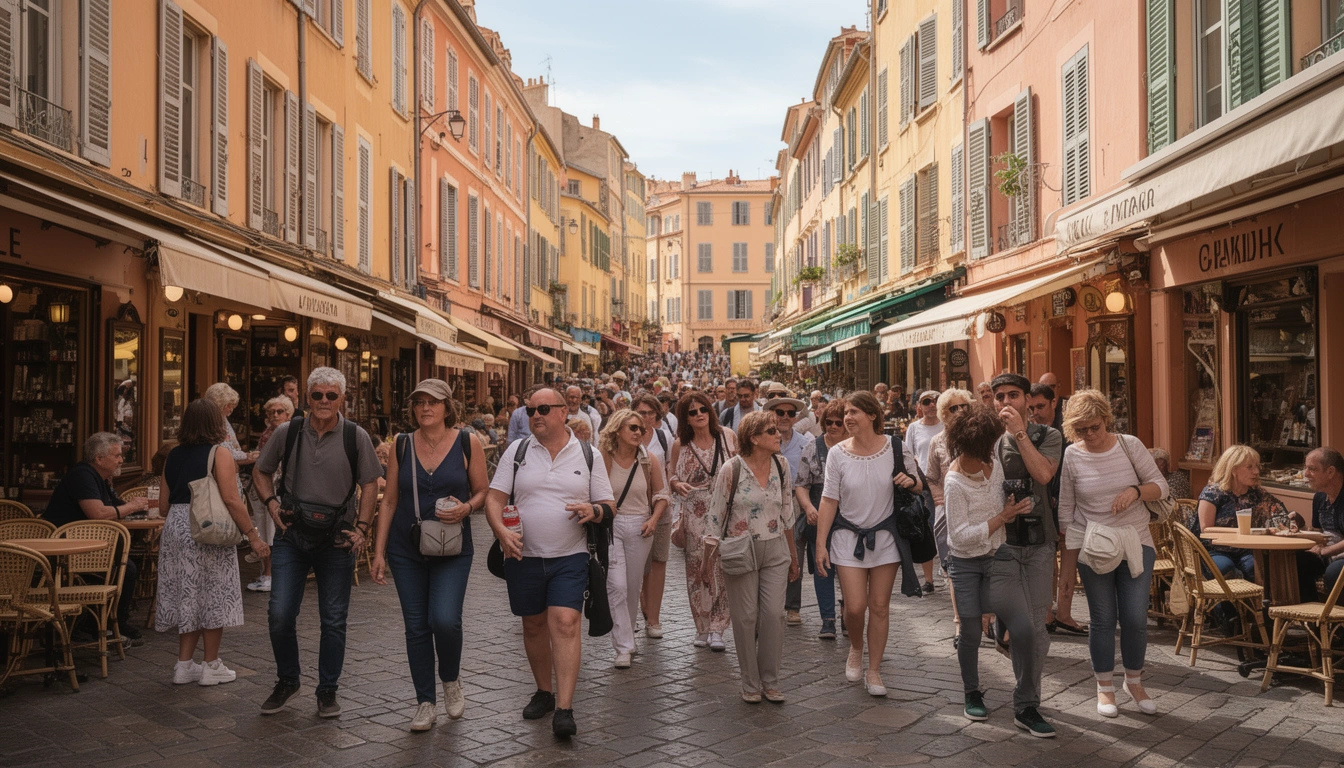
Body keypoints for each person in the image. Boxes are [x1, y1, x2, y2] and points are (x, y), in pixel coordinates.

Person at [252, 367, 384, 718]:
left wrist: (362, 527)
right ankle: (288, 680)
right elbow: (261, 471)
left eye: (331, 395)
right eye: (317, 395)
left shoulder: (355, 436)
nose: (323, 401)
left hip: (337, 539)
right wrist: (271, 503)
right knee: (279, 614)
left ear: (342, 399)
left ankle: (327, 690)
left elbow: (370, 483)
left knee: (334, 619)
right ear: (306, 398)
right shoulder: (288, 430)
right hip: (291, 536)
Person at [486, 387, 615, 738]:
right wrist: (501, 532)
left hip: (570, 555)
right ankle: (544, 691)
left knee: (565, 621)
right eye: (530, 410)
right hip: (522, 554)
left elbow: (608, 504)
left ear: (562, 412)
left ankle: (565, 708)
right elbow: (494, 499)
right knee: (532, 625)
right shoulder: (518, 449)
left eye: (543, 409)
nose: (535, 416)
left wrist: (595, 510)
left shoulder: (589, 454)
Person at [369, 380, 486, 731]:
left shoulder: (468, 442)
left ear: (447, 407)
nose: (425, 409)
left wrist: (467, 507)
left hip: (452, 547)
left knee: (445, 619)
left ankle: (450, 679)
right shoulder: (401, 444)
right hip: (406, 548)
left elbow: (482, 491)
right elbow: (389, 500)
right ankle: (425, 702)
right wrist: (379, 552)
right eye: (418, 403)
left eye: (433, 402)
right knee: (417, 626)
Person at [1058, 390, 1168, 717]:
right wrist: (1070, 555)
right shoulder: (1072, 456)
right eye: (1082, 430)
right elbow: (1066, 508)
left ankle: (1133, 681)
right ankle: (1104, 687)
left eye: (1094, 427)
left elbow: (1160, 487)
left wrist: (1134, 491)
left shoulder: (1129, 445)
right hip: (1095, 547)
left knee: (1135, 618)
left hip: (1136, 541)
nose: (1090, 435)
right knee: (1103, 619)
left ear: (1106, 419)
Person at [815, 392, 922, 698]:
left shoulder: (896, 447)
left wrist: (908, 482)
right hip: (847, 538)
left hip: (886, 538)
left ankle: (874, 670)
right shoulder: (837, 453)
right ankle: (856, 647)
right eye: (846, 412)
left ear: (873, 416)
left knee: (878, 606)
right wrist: (821, 544)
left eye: (854, 413)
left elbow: (918, 482)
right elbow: (829, 499)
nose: (848, 418)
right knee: (855, 606)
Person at [155, 400, 270, 685]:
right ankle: (211, 664)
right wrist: (253, 536)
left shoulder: (173, 455)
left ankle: (184, 665)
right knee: (213, 593)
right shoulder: (219, 453)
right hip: (207, 527)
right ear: (215, 424)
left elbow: (163, 506)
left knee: (188, 594)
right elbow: (232, 498)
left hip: (177, 528)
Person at [944, 403, 1033, 723]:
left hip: (999, 557)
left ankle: (1026, 700)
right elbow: (960, 537)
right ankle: (972, 691)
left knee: (1024, 628)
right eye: (987, 447)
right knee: (968, 631)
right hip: (966, 563)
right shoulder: (954, 482)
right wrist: (1002, 517)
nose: (991, 454)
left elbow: (999, 503)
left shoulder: (993, 461)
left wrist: (1012, 504)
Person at [703, 411, 800, 703]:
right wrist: (707, 565)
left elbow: (787, 514)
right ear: (754, 438)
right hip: (740, 550)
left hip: (775, 549)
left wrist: (794, 557)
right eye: (771, 431)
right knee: (746, 618)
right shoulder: (731, 469)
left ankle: (770, 680)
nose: (778, 435)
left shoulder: (781, 465)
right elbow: (715, 518)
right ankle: (750, 683)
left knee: (774, 614)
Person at [988, 372, 1063, 738]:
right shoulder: (985, 440)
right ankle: (1001, 628)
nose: (1006, 402)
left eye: (1013, 395)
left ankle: (1026, 704)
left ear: (1026, 398)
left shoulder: (1047, 436)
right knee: (1016, 625)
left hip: (1037, 545)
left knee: (1033, 629)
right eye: (999, 396)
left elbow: (1044, 474)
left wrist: (1019, 432)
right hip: (998, 545)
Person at [42, 431, 148, 642]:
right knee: (125, 568)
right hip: (65, 549)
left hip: (86, 546)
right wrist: (132, 506)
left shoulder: (100, 478)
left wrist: (136, 508)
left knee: (127, 564)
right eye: (117, 456)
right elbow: (97, 513)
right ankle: (104, 624)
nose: (121, 460)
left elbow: (113, 506)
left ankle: (105, 621)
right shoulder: (82, 475)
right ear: (99, 459)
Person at [599, 409, 670, 669]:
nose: (638, 432)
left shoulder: (648, 460)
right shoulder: (603, 458)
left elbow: (662, 495)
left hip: (640, 526)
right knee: (616, 585)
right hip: (611, 525)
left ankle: (627, 638)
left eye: (640, 428)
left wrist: (653, 520)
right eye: (632, 427)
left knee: (631, 586)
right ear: (617, 430)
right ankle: (623, 646)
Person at [669, 391, 739, 651]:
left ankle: (719, 628)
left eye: (702, 410)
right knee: (697, 571)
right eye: (692, 412)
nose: (699, 415)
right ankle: (702, 626)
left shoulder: (727, 436)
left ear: (710, 411)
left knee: (723, 569)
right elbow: (671, 476)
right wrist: (677, 484)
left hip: (726, 514)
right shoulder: (681, 445)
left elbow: (740, 467)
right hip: (694, 515)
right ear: (685, 418)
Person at [1195, 445, 1290, 581]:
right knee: (1225, 567)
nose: (1256, 471)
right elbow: (1206, 529)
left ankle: (1257, 602)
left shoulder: (1257, 493)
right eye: (1250, 467)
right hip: (1214, 550)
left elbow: (1279, 512)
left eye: (1257, 466)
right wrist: (1242, 532)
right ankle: (1223, 602)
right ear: (1234, 470)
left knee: (1256, 567)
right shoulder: (1213, 492)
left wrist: (1289, 520)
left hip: (1247, 549)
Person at [793, 399, 847, 639]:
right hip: (819, 515)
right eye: (828, 422)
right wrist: (807, 508)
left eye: (838, 422)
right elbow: (801, 485)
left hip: (849, 517)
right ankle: (828, 619)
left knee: (849, 568)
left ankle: (849, 613)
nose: (833, 426)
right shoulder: (813, 447)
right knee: (823, 568)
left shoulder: (855, 447)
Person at [768, 391, 812, 626]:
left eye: (790, 413)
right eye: (780, 412)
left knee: (795, 552)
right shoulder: (762, 440)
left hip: (794, 501)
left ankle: (793, 606)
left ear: (795, 417)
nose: (785, 417)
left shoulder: (806, 444)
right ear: (771, 414)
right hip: (766, 503)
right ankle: (771, 604)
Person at [633, 394, 673, 637]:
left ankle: (653, 618)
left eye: (651, 413)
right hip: (633, 508)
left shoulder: (663, 437)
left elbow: (669, 469)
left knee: (658, 562)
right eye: (642, 412)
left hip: (661, 508)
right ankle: (641, 606)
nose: (646, 418)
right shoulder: (625, 435)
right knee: (638, 565)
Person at [246, 397, 295, 592]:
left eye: (280, 411)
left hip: (281, 488)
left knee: (277, 531)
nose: (275, 415)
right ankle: (266, 573)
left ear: (288, 414)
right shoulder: (267, 434)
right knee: (264, 529)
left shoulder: (291, 433)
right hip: (263, 488)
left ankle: (273, 574)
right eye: (271, 412)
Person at [905, 389, 944, 594]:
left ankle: (947, 570)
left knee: (945, 527)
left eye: (935, 400)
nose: (931, 404)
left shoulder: (946, 425)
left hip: (945, 481)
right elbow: (909, 455)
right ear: (919, 406)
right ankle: (928, 579)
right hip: (922, 483)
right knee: (926, 530)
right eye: (926, 401)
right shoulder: (913, 428)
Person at [1302, 448, 1344, 598]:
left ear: (1331, 472)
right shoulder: (1320, 498)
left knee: (1335, 572)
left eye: (1312, 469)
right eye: (1306, 468)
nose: (1306, 474)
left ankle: (1338, 619)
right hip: (1327, 554)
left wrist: (1326, 551)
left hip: (1337, 556)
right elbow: (1318, 532)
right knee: (1298, 562)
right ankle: (1308, 615)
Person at [203, 383, 258, 465]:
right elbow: (226, 453)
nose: (231, 410)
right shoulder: (211, 422)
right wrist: (248, 457)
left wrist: (247, 455)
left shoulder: (222, 419)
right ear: (220, 404)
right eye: (229, 406)